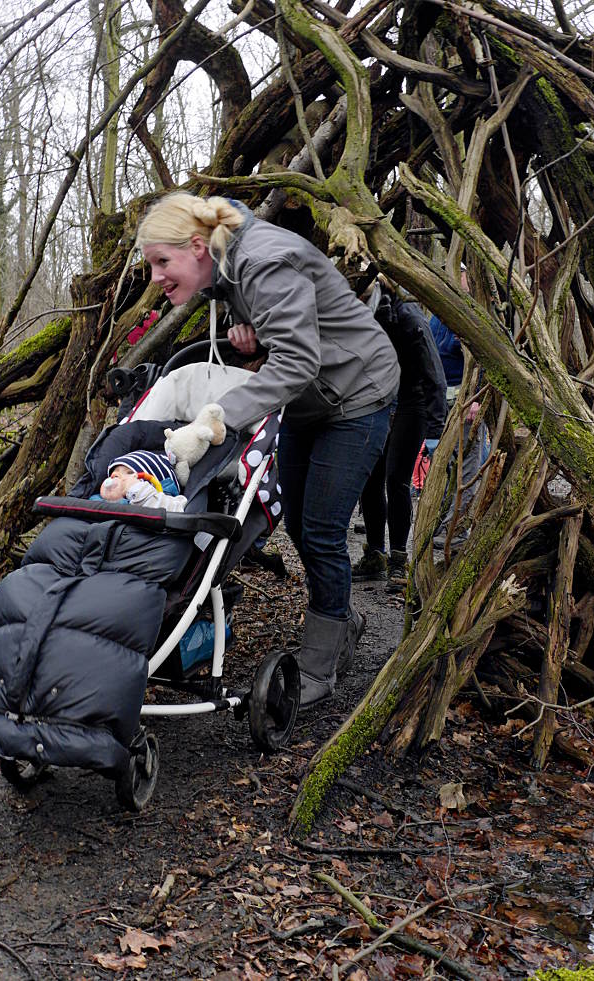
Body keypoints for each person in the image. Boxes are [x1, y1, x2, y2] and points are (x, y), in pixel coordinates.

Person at [135, 193, 399, 708]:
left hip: (357, 394)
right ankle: (342, 616)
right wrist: (255, 340)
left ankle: (321, 666)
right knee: (299, 523)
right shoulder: (229, 270)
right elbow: (293, 332)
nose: (156, 277)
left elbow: (298, 361)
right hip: (310, 400)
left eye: (162, 262)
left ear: (196, 246)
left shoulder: (260, 261)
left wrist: (216, 418)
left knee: (321, 530)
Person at [352, 281, 446, 592]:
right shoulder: (365, 312)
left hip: (412, 401)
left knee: (396, 479)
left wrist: (435, 431)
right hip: (380, 399)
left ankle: (397, 559)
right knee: (370, 476)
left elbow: (435, 376)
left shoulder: (409, 318)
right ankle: (375, 556)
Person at [428, 282, 484, 550]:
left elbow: (484, 357)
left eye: (463, 275)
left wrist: (476, 398)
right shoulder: (438, 313)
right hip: (443, 400)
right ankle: (442, 521)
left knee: (467, 464)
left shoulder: (472, 313)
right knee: (445, 463)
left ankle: (458, 529)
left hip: (466, 400)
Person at [92, 450, 188, 512]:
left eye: (130, 473)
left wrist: (139, 491)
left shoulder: (166, 501)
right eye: (115, 472)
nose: (115, 475)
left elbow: (178, 512)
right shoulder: (95, 502)